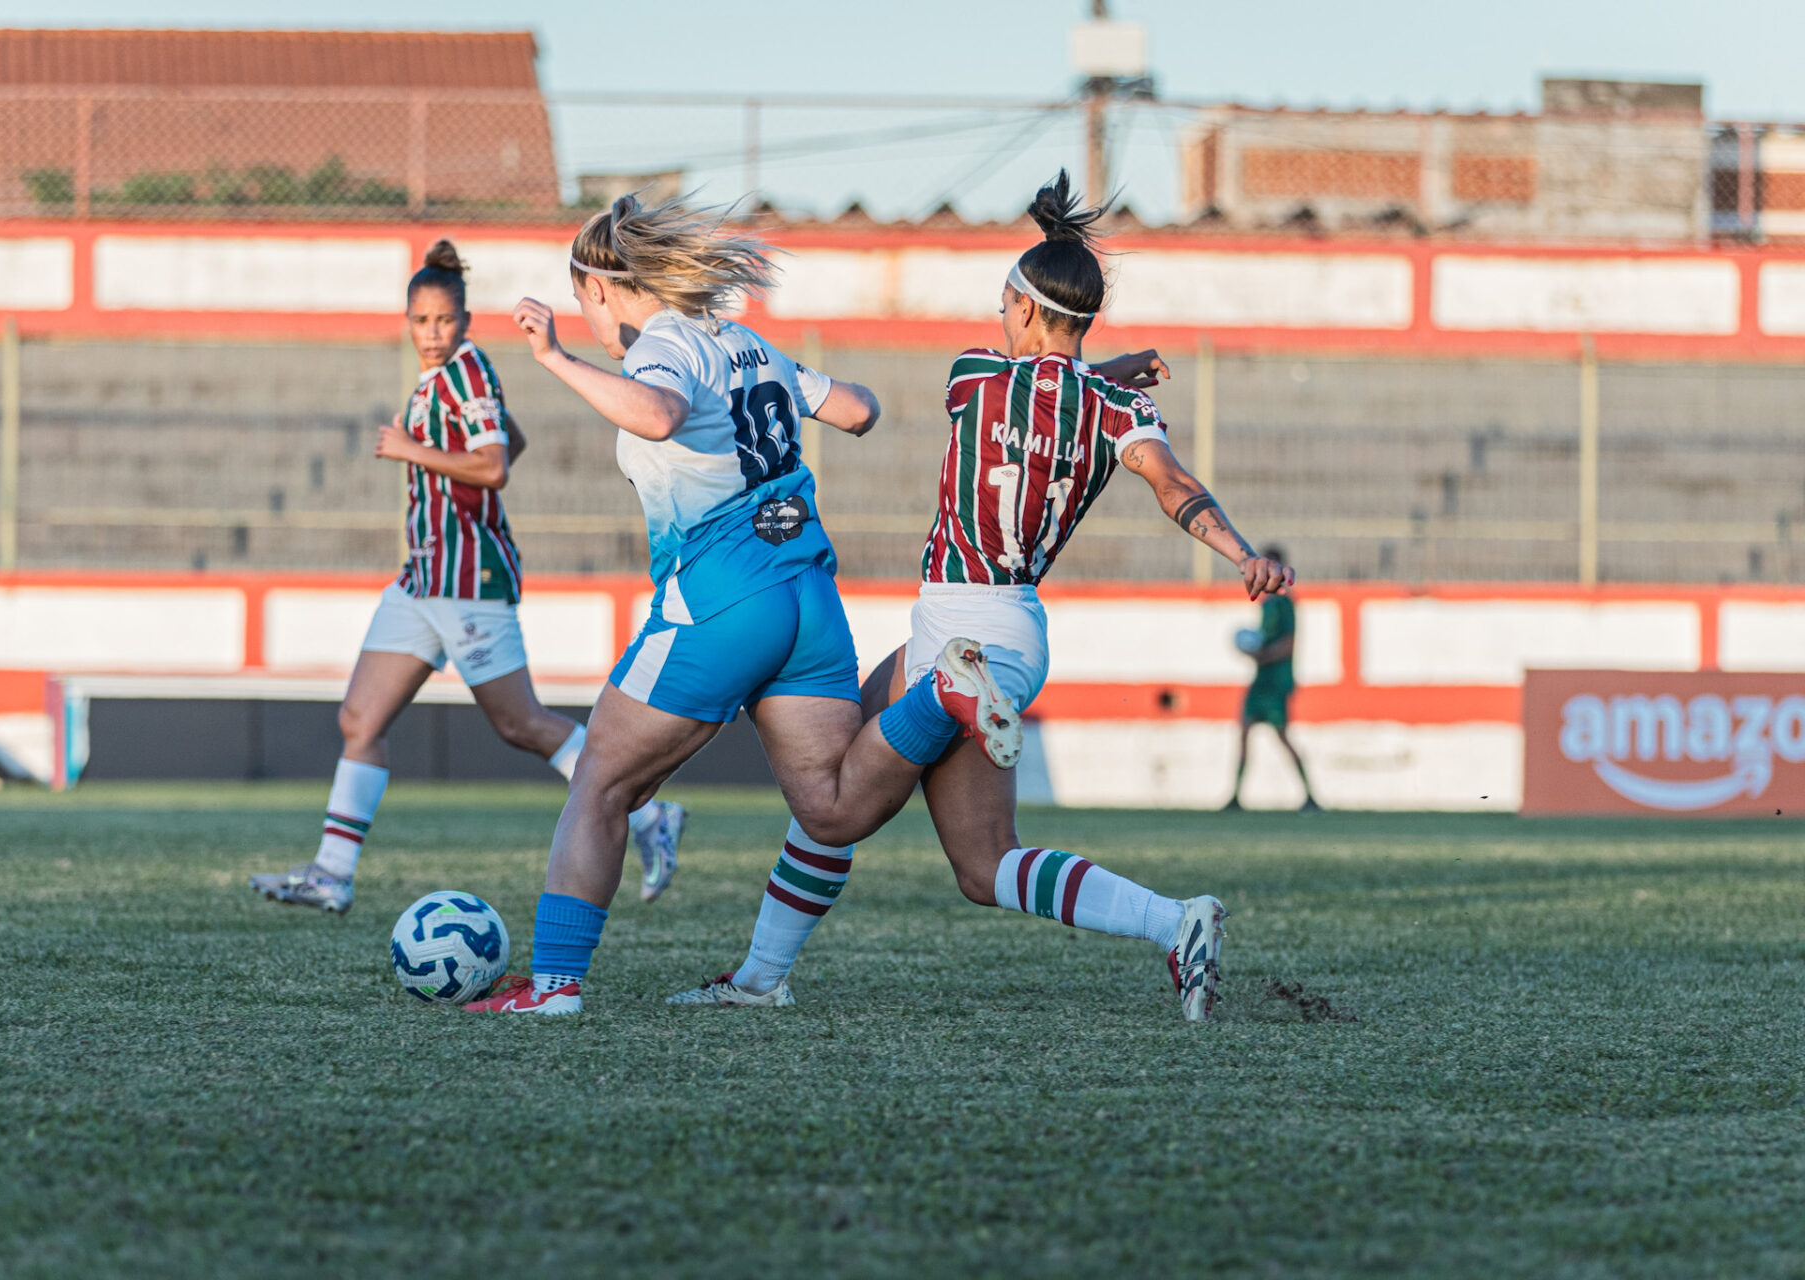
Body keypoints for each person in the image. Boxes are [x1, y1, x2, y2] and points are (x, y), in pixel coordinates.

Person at [666, 173, 1293, 1022]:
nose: (999, 317)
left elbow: (1031, 393)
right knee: (982, 865)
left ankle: (762, 974)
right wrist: (1242, 553)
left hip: (959, 624)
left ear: (1027, 310)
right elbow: (1169, 482)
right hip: (1011, 629)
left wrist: (1106, 370)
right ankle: (1176, 922)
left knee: (837, 802)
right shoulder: (1120, 412)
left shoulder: (971, 378)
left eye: (1007, 304)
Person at [462, 194, 1020, 1015]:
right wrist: (797, 387)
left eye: (581, 299)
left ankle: (552, 988)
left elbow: (655, 414)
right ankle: (937, 696)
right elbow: (861, 409)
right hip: (808, 599)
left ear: (605, 289)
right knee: (830, 812)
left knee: (600, 785)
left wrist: (551, 359)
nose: (582, 316)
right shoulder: (748, 343)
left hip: (724, 602)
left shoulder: (664, 346)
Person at [249, 240, 684, 915]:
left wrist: (409, 449)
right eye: (420, 321)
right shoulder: (444, 379)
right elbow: (511, 439)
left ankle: (652, 818)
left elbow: (494, 466)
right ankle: (332, 872)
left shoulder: (466, 371)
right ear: (407, 320)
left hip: (468, 579)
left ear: (465, 320)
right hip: (422, 578)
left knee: (521, 724)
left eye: (444, 321)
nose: (432, 333)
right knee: (360, 717)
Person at [1225, 543, 1321, 813]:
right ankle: (1235, 797)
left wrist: (1261, 654)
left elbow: (1288, 645)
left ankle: (1310, 797)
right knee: (1244, 732)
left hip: (1277, 680)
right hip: (1262, 679)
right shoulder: (1266, 604)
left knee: (1282, 737)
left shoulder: (1285, 603)